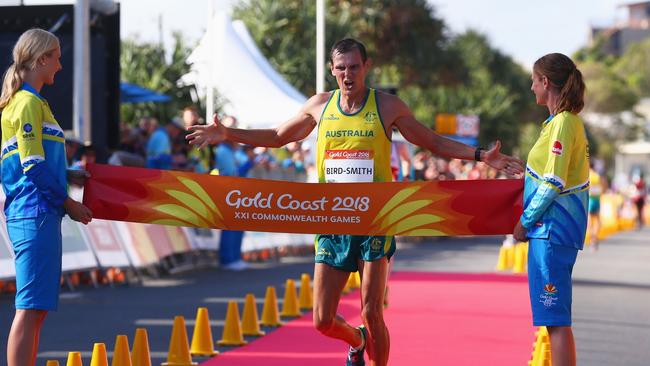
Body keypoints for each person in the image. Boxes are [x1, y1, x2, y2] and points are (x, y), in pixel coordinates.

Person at [187, 38, 523, 366]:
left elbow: (431, 141)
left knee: (371, 311)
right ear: (333, 71)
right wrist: (230, 134)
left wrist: (480, 156)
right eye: (341, 68)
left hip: (376, 220)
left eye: (354, 67)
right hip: (332, 222)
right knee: (322, 320)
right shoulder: (320, 106)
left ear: (366, 67)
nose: (348, 74)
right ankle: (357, 340)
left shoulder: (387, 106)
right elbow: (277, 137)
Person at [0, 28, 93, 366]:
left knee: (36, 309)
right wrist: (69, 202)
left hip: (38, 211)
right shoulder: (26, 103)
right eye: (56, 57)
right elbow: (31, 167)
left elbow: (32, 163)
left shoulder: (33, 102)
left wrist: (68, 176)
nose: (60, 65)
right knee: (30, 308)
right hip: (33, 211)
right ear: (40, 59)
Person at [513, 53, 588, 366]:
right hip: (554, 231)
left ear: (545, 82)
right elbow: (550, 173)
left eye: (534, 80)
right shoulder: (561, 123)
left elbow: (554, 181)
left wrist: (524, 222)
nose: (531, 87)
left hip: (550, 230)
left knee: (555, 320)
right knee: (555, 319)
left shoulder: (562, 123)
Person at [588, 162, 605, 249]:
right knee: (597, 220)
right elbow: (603, 187)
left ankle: (591, 239)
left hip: (589, 200)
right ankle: (595, 237)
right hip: (597, 200)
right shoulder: (597, 176)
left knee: (590, 221)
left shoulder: (587, 176)